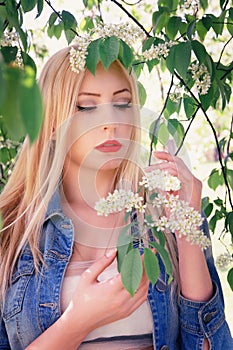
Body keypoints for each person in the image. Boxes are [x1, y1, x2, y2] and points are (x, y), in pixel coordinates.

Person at [0, 44, 232, 350]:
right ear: (52, 123)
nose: (111, 121)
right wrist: (79, 321)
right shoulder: (12, 227)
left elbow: (210, 344)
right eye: (86, 106)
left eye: (122, 103)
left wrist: (186, 231)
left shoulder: (167, 212)